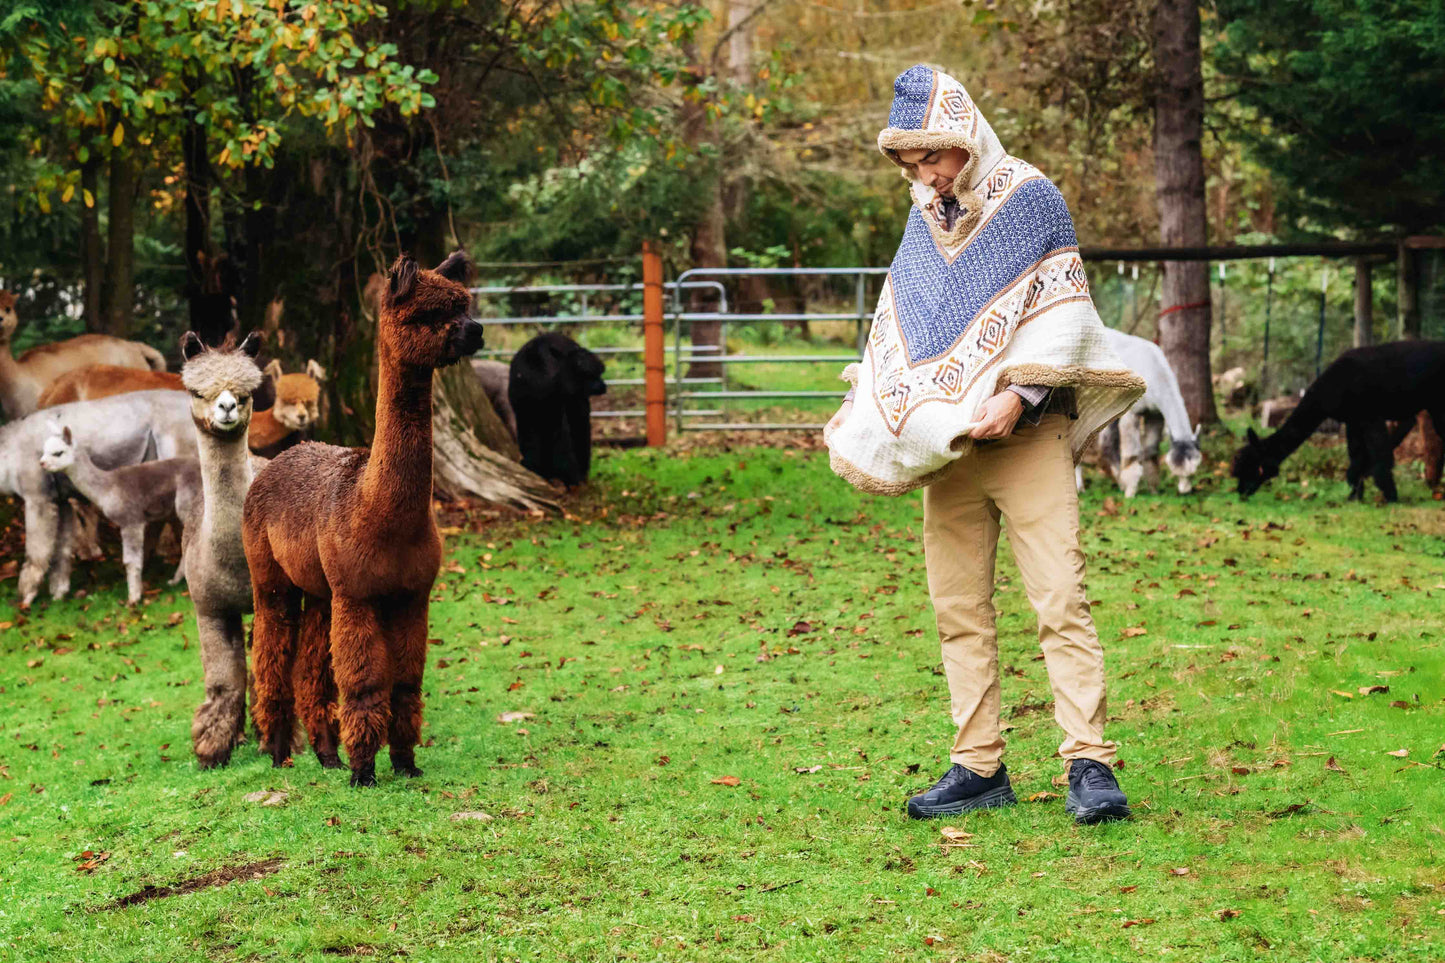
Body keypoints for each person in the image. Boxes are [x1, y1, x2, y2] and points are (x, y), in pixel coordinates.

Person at [824, 64, 1145, 825]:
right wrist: (868, 403)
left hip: (1031, 435)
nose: (924, 174)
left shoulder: (1032, 199)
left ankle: (1089, 763)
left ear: (965, 135)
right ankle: (977, 766)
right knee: (957, 606)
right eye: (910, 163)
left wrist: (1018, 393)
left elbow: (1061, 310)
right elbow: (902, 330)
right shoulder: (922, 219)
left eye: (932, 156)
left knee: (1058, 598)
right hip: (953, 448)